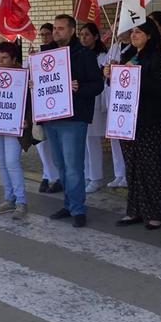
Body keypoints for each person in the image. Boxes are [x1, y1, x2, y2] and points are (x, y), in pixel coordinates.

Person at [107, 22, 161, 228]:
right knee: (132, 166)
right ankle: (134, 210)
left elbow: (160, 88)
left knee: (150, 166)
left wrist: (134, 75)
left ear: (150, 36)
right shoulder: (128, 56)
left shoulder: (158, 59)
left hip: (149, 119)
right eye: (133, 31)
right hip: (127, 120)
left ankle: (156, 212)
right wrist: (111, 76)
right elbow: (119, 84)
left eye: (138, 32)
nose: (134, 35)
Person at [43, 15, 105, 227]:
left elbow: (97, 85)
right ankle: (69, 204)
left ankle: (78, 208)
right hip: (51, 117)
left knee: (73, 165)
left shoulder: (84, 55)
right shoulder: (46, 54)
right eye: (55, 28)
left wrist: (79, 89)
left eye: (61, 28)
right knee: (60, 164)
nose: (56, 32)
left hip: (74, 117)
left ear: (71, 31)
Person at [0, 41, 30, 219]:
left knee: (12, 161)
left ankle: (21, 201)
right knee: (1, 162)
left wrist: (27, 119)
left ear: (14, 59)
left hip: (15, 125)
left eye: (4, 58)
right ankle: (9, 199)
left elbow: (31, 101)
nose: (0, 61)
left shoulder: (24, 76)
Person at [79, 22, 109, 194]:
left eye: (87, 35)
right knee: (83, 141)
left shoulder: (102, 56)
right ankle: (86, 175)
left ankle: (96, 177)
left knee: (92, 141)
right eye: (81, 34)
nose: (83, 38)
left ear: (96, 37)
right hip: (81, 102)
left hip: (96, 101)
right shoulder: (79, 54)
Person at [34, 22, 62, 194]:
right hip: (41, 104)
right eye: (42, 34)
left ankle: (55, 177)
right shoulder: (38, 54)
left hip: (56, 104)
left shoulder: (58, 53)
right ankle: (47, 173)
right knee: (40, 141)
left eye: (47, 34)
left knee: (55, 144)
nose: (44, 37)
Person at [106, 29, 132, 189]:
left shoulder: (134, 50)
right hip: (114, 98)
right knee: (115, 138)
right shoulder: (115, 47)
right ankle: (119, 173)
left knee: (128, 139)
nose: (119, 32)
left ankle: (129, 175)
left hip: (127, 100)